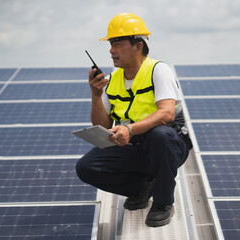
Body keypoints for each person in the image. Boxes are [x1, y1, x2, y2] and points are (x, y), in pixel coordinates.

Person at [76, 12, 192, 228]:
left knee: (161, 134)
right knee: (86, 167)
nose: (111, 50)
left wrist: (130, 129)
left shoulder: (158, 70)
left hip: (167, 145)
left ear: (138, 46)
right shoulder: (112, 80)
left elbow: (167, 114)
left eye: (118, 44)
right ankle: (142, 188)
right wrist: (95, 96)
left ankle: (163, 203)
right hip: (133, 145)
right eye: (111, 44)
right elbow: (102, 126)